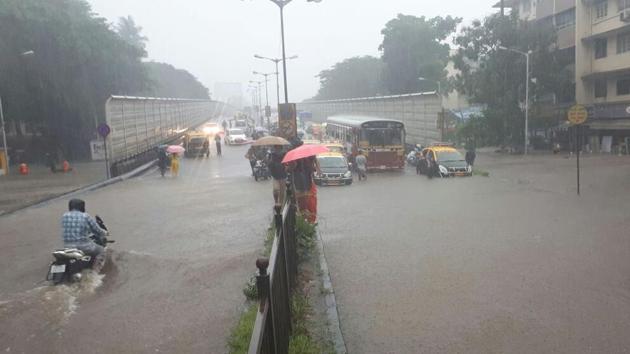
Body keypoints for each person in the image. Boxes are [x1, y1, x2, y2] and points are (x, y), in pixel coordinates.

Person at [292, 157, 320, 224]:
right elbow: (292, 168)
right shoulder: (296, 157)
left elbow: (315, 160)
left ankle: (311, 221)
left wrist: (317, 168)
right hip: (300, 183)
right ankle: (304, 221)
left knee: (311, 203)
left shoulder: (310, 157)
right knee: (303, 203)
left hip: (308, 183)